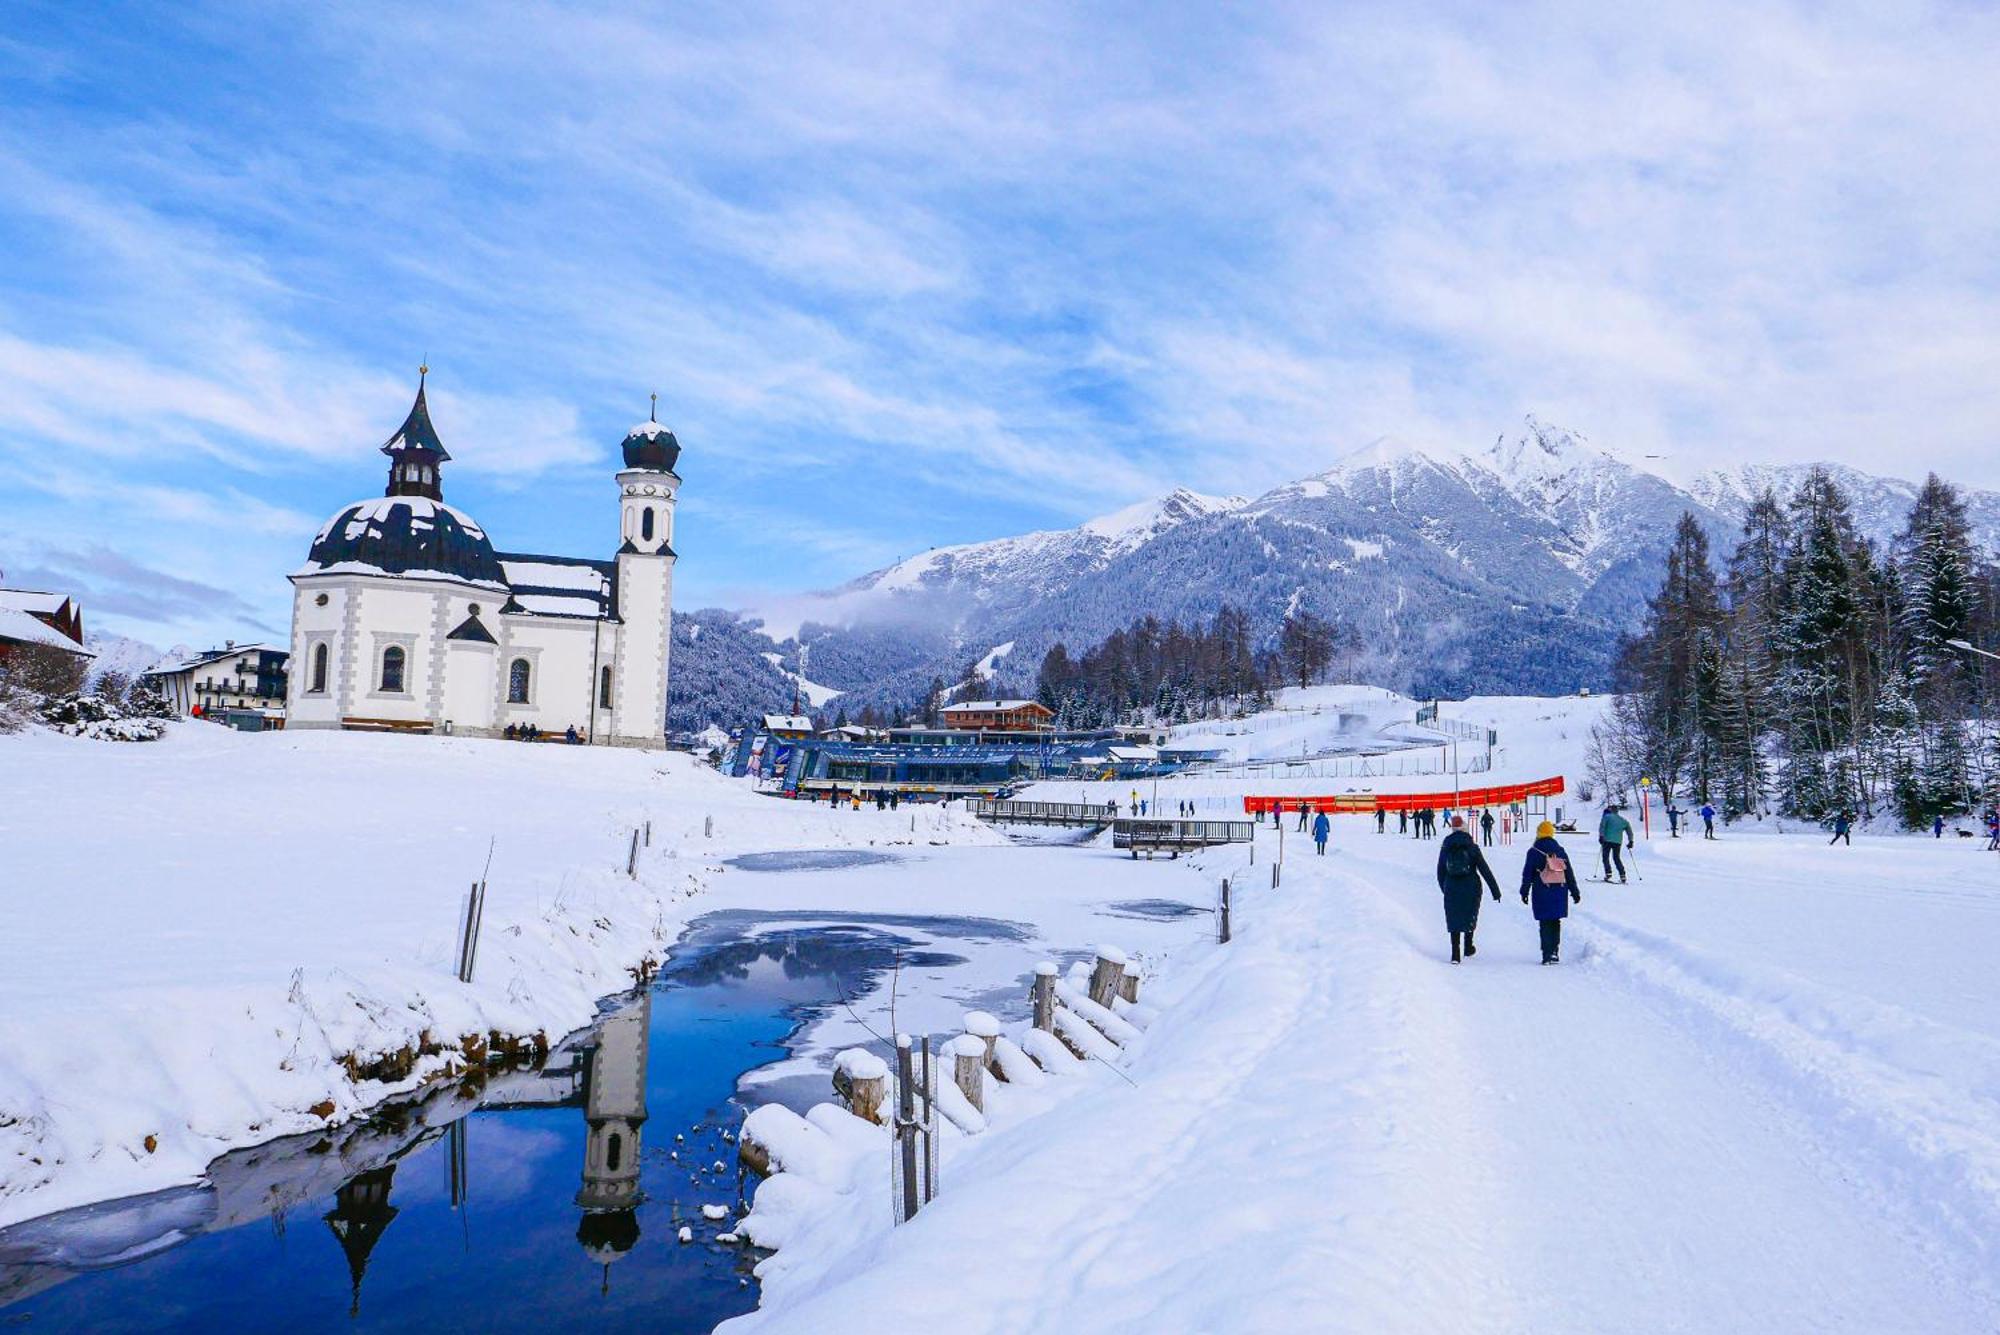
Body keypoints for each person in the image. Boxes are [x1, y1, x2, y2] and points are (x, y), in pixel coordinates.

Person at [1436, 815, 1500, 964]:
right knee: (1469, 914)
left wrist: (1445, 887)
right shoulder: (1472, 846)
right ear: (1465, 828)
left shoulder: (1446, 846)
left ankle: (1455, 954)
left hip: (1452, 886)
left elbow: (1440, 871)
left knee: (1453, 918)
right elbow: (1484, 869)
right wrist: (1495, 891)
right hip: (1471, 886)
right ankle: (1468, 945)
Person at [1520, 820, 1582, 964]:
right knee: (1555, 921)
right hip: (1560, 890)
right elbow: (1569, 873)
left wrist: (1524, 891)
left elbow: (1527, 873)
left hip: (1542, 890)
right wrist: (1575, 891)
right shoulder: (1560, 850)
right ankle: (1554, 951)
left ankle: (1546, 954)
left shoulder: (1533, 851)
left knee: (1545, 923)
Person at [1597, 805, 1634, 883]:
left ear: (1611, 810)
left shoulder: (1607, 817)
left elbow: (1602, 826)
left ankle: (1608, 873)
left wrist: (1601, 836)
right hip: (1617, 842)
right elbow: (1629, 831)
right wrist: (1630, 841)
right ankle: (1622, 875)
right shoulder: (1623, 820)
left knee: (1605, 857)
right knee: (1616, 858)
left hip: (1607, 840)